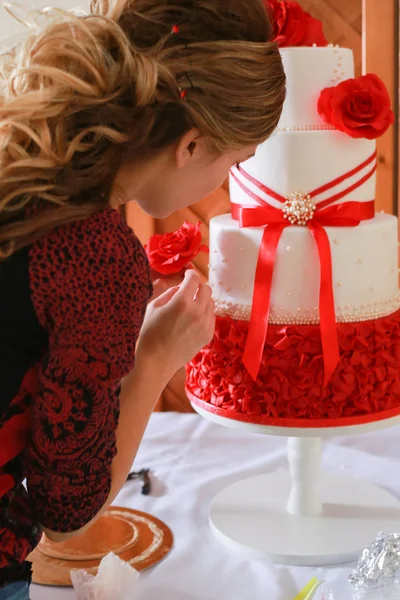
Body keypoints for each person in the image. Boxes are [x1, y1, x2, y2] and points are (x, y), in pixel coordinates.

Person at [0, 0, 285, 596]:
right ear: (193, 144)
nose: (226, 183)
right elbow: (68, 509)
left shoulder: (19, 153)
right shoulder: (93, 254)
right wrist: (155, 356)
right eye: (236, 162)